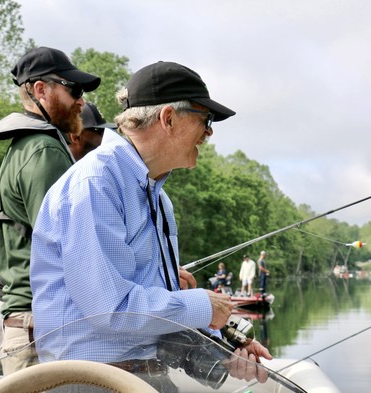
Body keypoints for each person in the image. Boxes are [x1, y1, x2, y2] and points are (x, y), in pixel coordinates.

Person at [30, 61, 271, 386]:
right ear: (168, 118)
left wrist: (227, 342)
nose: (209, 132)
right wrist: (203, 304)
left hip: (142, 375)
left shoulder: (157, 196)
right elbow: (110, 309)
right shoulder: (96, 182)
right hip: (89, 382)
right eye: (206, 119)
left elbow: (156, 304)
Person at [0, 46, 100, 372]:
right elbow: (71, 250)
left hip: (27, 321)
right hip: (40, 326)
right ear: (40, 90)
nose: (81, 100)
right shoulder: (45, 150)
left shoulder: (25, 146)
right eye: (73, 90)